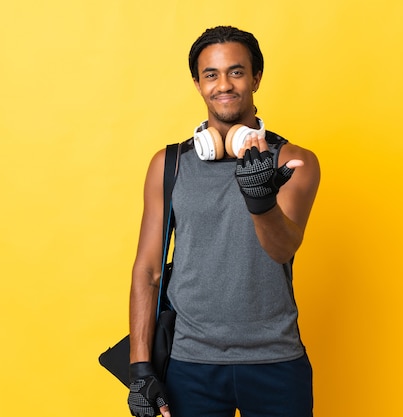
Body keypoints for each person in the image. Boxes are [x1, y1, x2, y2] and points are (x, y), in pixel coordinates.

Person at [127, 26, 320, 417]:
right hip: (189, 364)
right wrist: (140, 368)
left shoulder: (293, 162)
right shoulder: (169, 166)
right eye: (211, 75)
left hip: (276, 360)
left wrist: (259, 196)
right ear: (198, 83)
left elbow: (282, 248)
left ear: (256, 78)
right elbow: (147, 270)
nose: (224, 85)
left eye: (236, 71)